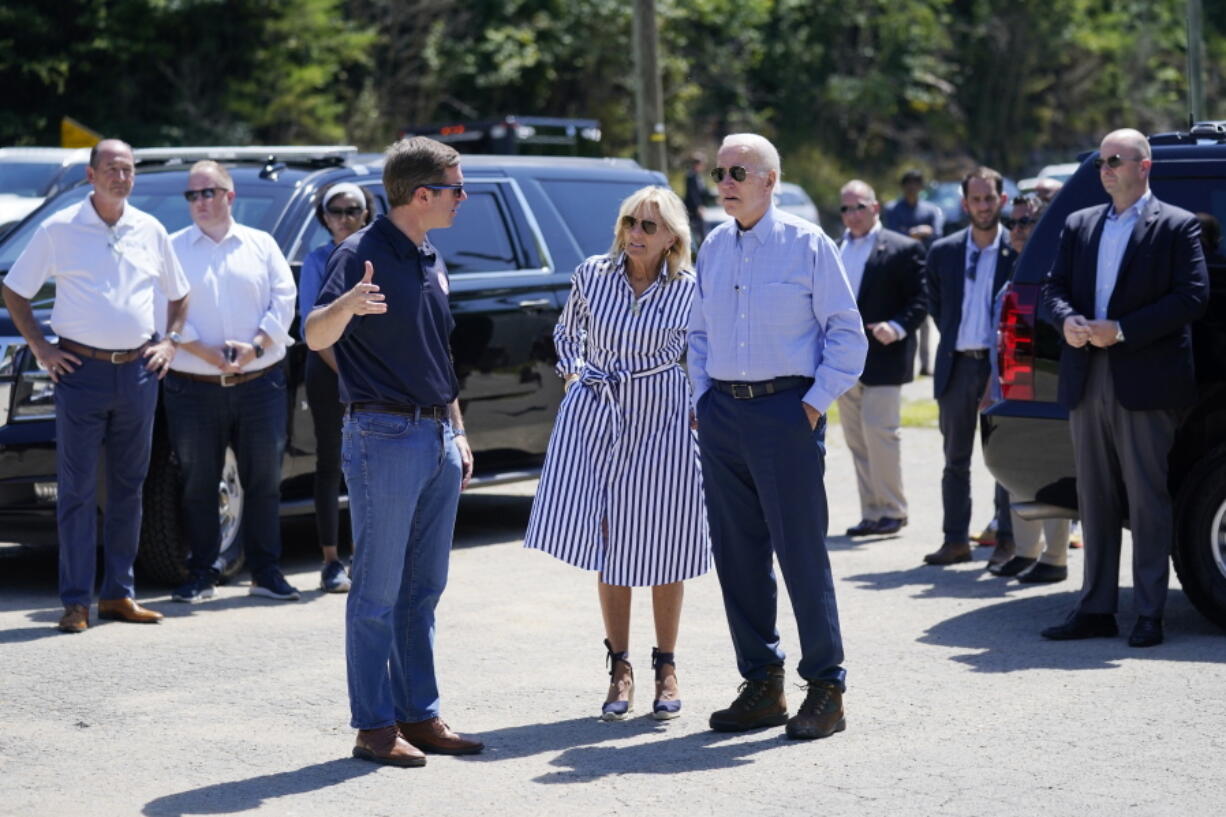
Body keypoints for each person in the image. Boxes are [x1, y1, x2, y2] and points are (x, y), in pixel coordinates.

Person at [306, 136, 483, 766]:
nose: (464, 198)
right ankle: (375, 728)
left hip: (436, 434)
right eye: (456, 188)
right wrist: (347, 306)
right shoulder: (360, 254)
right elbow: (313, 331)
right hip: (382, 437)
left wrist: (457, 431)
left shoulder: (429, 254)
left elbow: (441, 356)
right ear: (422, 194)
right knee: (377, 590)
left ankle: (419, 713)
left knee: (424, 588)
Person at [689, 133, 866, 741]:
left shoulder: (806, 244)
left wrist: (813, 407)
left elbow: (847, 335)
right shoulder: (713, 245)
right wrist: (701, 399)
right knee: (737, 557)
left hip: (786, 413)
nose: (726, 181)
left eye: (738, 171)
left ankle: (826, 688)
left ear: (770, 179)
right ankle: (763, 684)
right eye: (719, 172)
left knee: (800, 552)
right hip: (723, 417)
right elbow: (698, 334)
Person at [523, 186, 710, 721]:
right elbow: (567, 332)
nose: (636, 233)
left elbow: (701, 355)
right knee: (611, 540)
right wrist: (575, 371)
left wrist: (701, 408)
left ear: (673, 236)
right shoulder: (592, 274)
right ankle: (620, 665)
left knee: (666, 540)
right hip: (599, 411)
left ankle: (667, 665)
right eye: (630, 221)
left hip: (664, 418)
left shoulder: (690, 289)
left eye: (649, 226)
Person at [1, 139, 190, 633]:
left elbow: (181, 293)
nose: (120, 177)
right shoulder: (59, 229)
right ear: (90, 175)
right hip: (79, 374)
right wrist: (42, 350)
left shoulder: (150, 229)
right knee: (78, 491)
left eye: (127, 169)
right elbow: (14, 291)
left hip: (137, 373)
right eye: (111, 168)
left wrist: (169, 342)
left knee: (129, 488)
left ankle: (118, 596)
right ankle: (75, 602)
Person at [1041, 128, 1208, 647]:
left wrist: (1124, 328)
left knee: (1147, 498)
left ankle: (1150, 612)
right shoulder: (1079, 223)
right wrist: (1066, 320)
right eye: (1100, 162)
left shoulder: (1177, 226)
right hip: (1087, 374)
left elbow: (1193, 297)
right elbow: (1052, 288)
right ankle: (1095, 608)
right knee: (1094, 499)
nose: (1105, 168)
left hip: (1144, 378)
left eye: (1115, 160)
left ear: (1144, 166)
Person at [164, 160, 299, 604]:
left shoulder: (261, 245)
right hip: (192, 386)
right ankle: (202, 572)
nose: (199, 202)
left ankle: (266, 572)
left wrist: (256, 347)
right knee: (197, 482)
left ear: (229, 196)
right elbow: (156, 306)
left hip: (260, 382)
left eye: (208, 192)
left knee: (263, 481)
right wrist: (200, 350)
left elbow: (285, 299)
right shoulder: (173, 248)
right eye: (192, 195)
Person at [922, 167, 1016, 568]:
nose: (982, 206)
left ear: (1002, 201)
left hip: (1002, 370)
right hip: (958, 367)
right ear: (964, 204)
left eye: (988, 199)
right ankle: (956, 540)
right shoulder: (943, 252)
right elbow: (937, 306)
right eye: (975, 200)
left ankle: (1007, 540)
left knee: (1005, 460)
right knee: (955, 461)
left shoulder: (1017, 251)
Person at [988, 193, 1072, 583]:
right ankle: (1026, 552)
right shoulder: (1015, 270)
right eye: (1014, 221)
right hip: (1010, 385)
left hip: (1043, 383)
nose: (1017, 229)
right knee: (1017, 469)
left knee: (1045, 465)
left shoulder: (1052, 272)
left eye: (1027, 222)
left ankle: (1054, 558)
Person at [835, 180, 927, 538]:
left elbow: (921, 300)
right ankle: (872, 512)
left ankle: (893, 510)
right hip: (844, 360)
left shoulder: (903, 248)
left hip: (885, 358)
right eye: (845, 208)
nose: (852, 215)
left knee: (880, 434)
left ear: (875, 208)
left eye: (859, 206)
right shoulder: (835, 247)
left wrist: (897, 326)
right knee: (857, 441)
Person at [298, 182, 377, 593]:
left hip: (376, 375)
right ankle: (331, 561)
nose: (343, 218)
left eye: (352, 210)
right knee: (331, 464)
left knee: (373, 467)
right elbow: (314, 328)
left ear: (366, 213)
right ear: (323, 217)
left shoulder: (380, 253)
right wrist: (349, 376)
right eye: (335, 211)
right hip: (331, 373)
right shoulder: (317, 260)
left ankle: (370, 556)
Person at [884, 169, 944, 376]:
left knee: (925, 318)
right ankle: (905, 364)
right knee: (903, 318)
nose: (912, 187)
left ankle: (926, 365)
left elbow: (937, 236)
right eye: (908, 183)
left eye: (916, 183)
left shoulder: (929, 210)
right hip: (899, 269)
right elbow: (889, 235)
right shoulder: (893, 209)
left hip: (923, 269)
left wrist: (923, 234)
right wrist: (912, 234)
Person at [683, 151, 712, 247]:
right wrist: (698, 207)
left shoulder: (699, 177)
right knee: (697, 234)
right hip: (693, 211)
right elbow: (693, 194)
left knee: (703, 232)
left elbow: (704, 192)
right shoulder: (690, 176)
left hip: (699, 210)